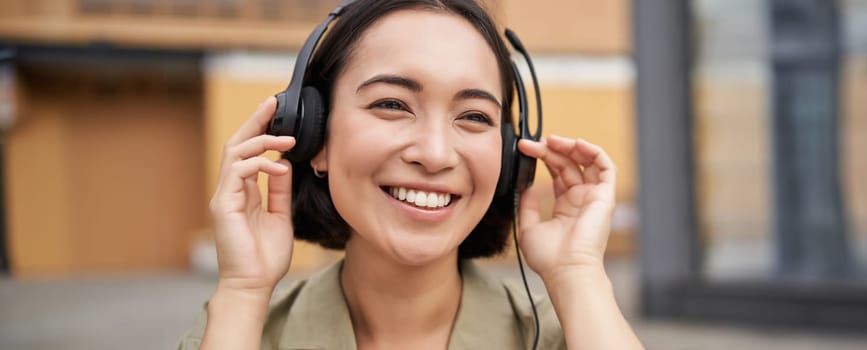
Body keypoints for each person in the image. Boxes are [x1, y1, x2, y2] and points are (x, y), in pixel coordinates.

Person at [179, 0, 643, 349]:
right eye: (392, 105)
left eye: (475, 116)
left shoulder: (571, 336)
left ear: (510, 158)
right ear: (312, 136)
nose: (436, 154)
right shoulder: (238, 330)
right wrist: (244, 288)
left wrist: (578, 275)